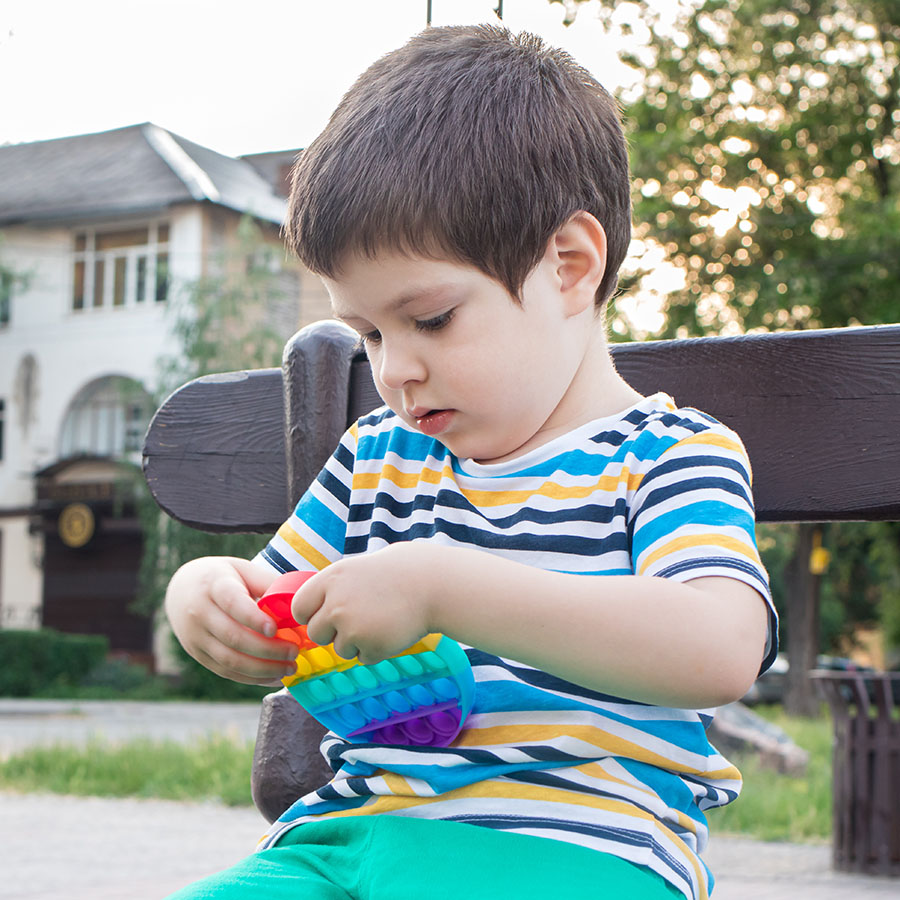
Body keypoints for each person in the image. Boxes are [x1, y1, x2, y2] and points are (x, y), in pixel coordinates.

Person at [164, 23, 775, 900]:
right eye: (369, 333)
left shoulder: (670, 456)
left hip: (577, 851)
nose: (394, 369)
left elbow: (719, 647)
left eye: (431, 319)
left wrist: (447, 586)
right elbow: (273, 596)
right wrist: (209, 599)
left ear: (568, 265)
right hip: (346, 843)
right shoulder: (380, 456)